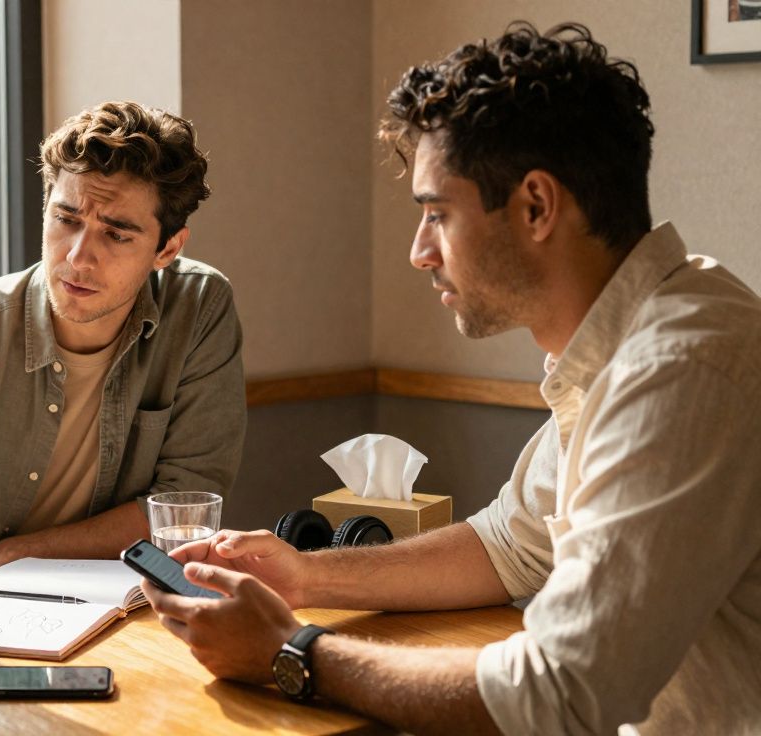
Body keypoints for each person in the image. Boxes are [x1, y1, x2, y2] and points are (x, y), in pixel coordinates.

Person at [143, 22, 761, 735]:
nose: (419, 252)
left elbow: (561, 693)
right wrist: (306, 576)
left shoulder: (680, 370)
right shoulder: (622, 347)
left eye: (436, 213)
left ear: (536, 206)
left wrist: (291, 652)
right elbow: (509, 544)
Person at [0, 101, 246, 577]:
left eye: (116, 235)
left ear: (167, 247)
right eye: (67, 220)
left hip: (129, 599)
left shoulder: (198, 306)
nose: (79, 258)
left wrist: (24, 554)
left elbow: (185, 505)